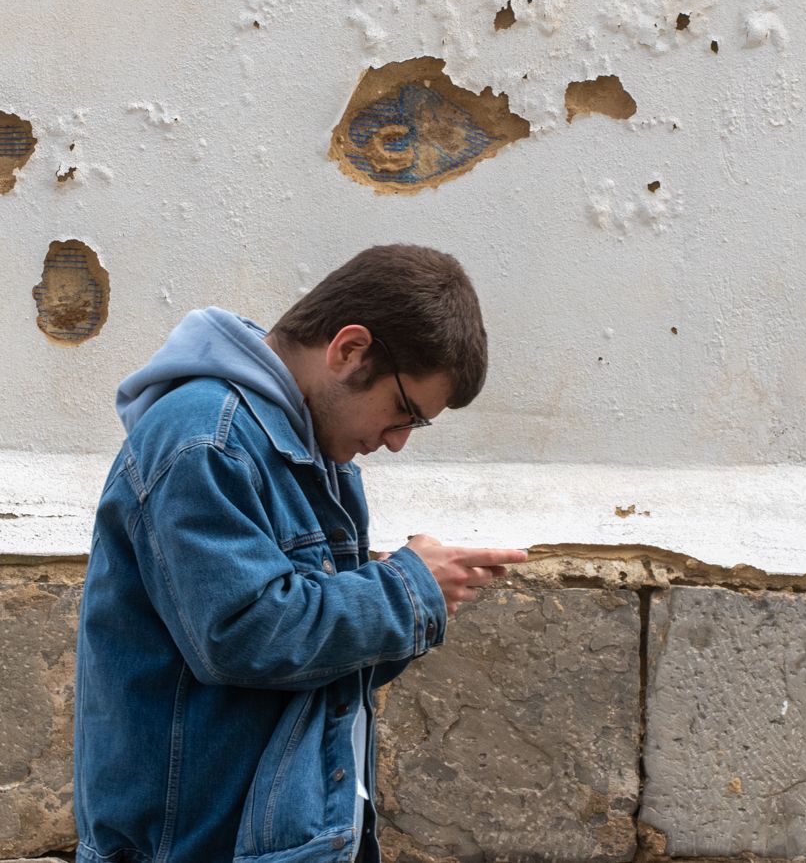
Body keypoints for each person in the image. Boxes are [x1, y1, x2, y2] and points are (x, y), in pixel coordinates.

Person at [73, 244, 529, 863]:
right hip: (196, 842)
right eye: (404, 412)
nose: (396, 442)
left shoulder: (315, 452)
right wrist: (403, 591)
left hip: (283, 837)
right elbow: (241, 635)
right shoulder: (206, 442)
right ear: (348, 350)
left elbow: (315, 666)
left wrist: (417, 597)